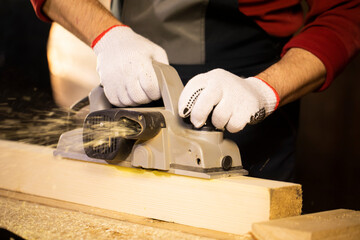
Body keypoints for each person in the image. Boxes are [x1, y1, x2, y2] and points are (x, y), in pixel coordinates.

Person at [30, 0, 360, 181]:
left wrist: (264, 90)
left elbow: (346, 10)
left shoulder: (254, 92)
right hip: (129, 67)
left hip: (241, 92)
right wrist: (106, 36)